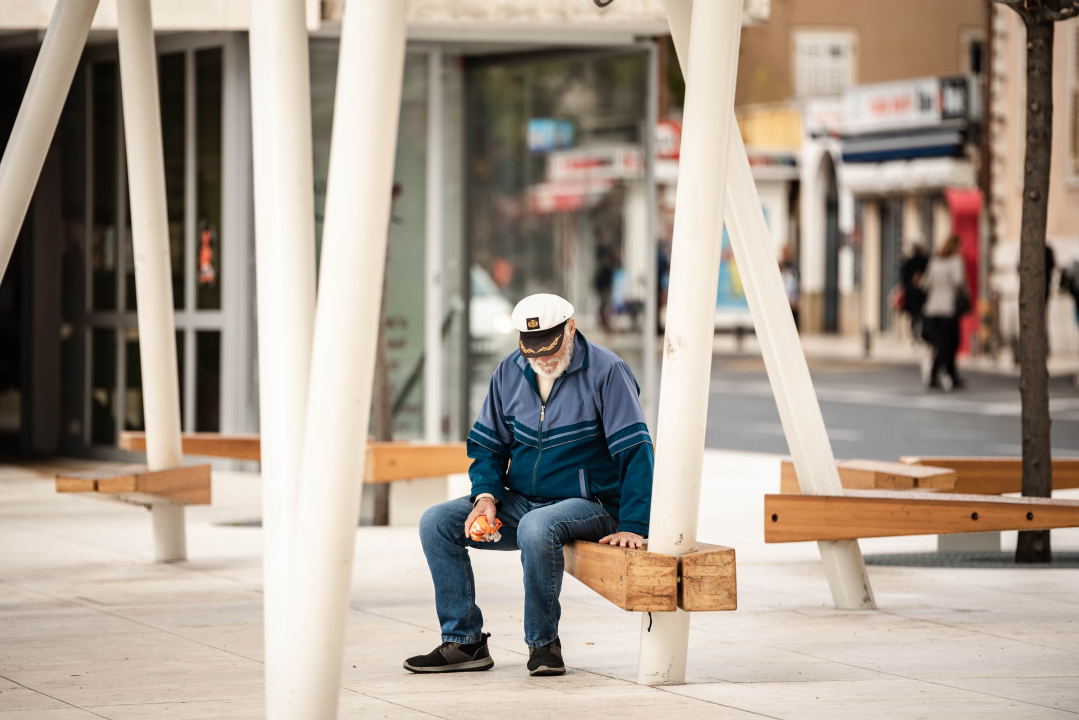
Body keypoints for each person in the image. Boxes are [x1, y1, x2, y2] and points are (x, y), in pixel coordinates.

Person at [405, 294, 654, 677]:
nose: (543, 359)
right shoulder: (508, 372)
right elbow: (488, 447)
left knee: (537, 528)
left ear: (570, 328)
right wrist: (486, 497)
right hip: (520, 500)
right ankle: (465, 642)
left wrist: (635, 525)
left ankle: (543, 645)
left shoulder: (607, 371)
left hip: (592, 503)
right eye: (533, 350)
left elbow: (637, 451)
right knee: (436, 522)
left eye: (550, 348)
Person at [921, 234, 967, 390]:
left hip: (932, 308)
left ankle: (952, 375)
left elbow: (925, 284)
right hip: (948, 309)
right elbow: (959, 282)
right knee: (948, 344)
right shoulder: (955, 261)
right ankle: (935, 375)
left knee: (944, 344)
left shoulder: (935, 261)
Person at [900, 241, 929, 340]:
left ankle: (916, 336)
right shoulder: (926, 261)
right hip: (920, 295)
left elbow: (903, 280)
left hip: (914, 295)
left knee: (915, 317)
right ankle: (918, 336)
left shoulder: (909, 262)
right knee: (919, 316)